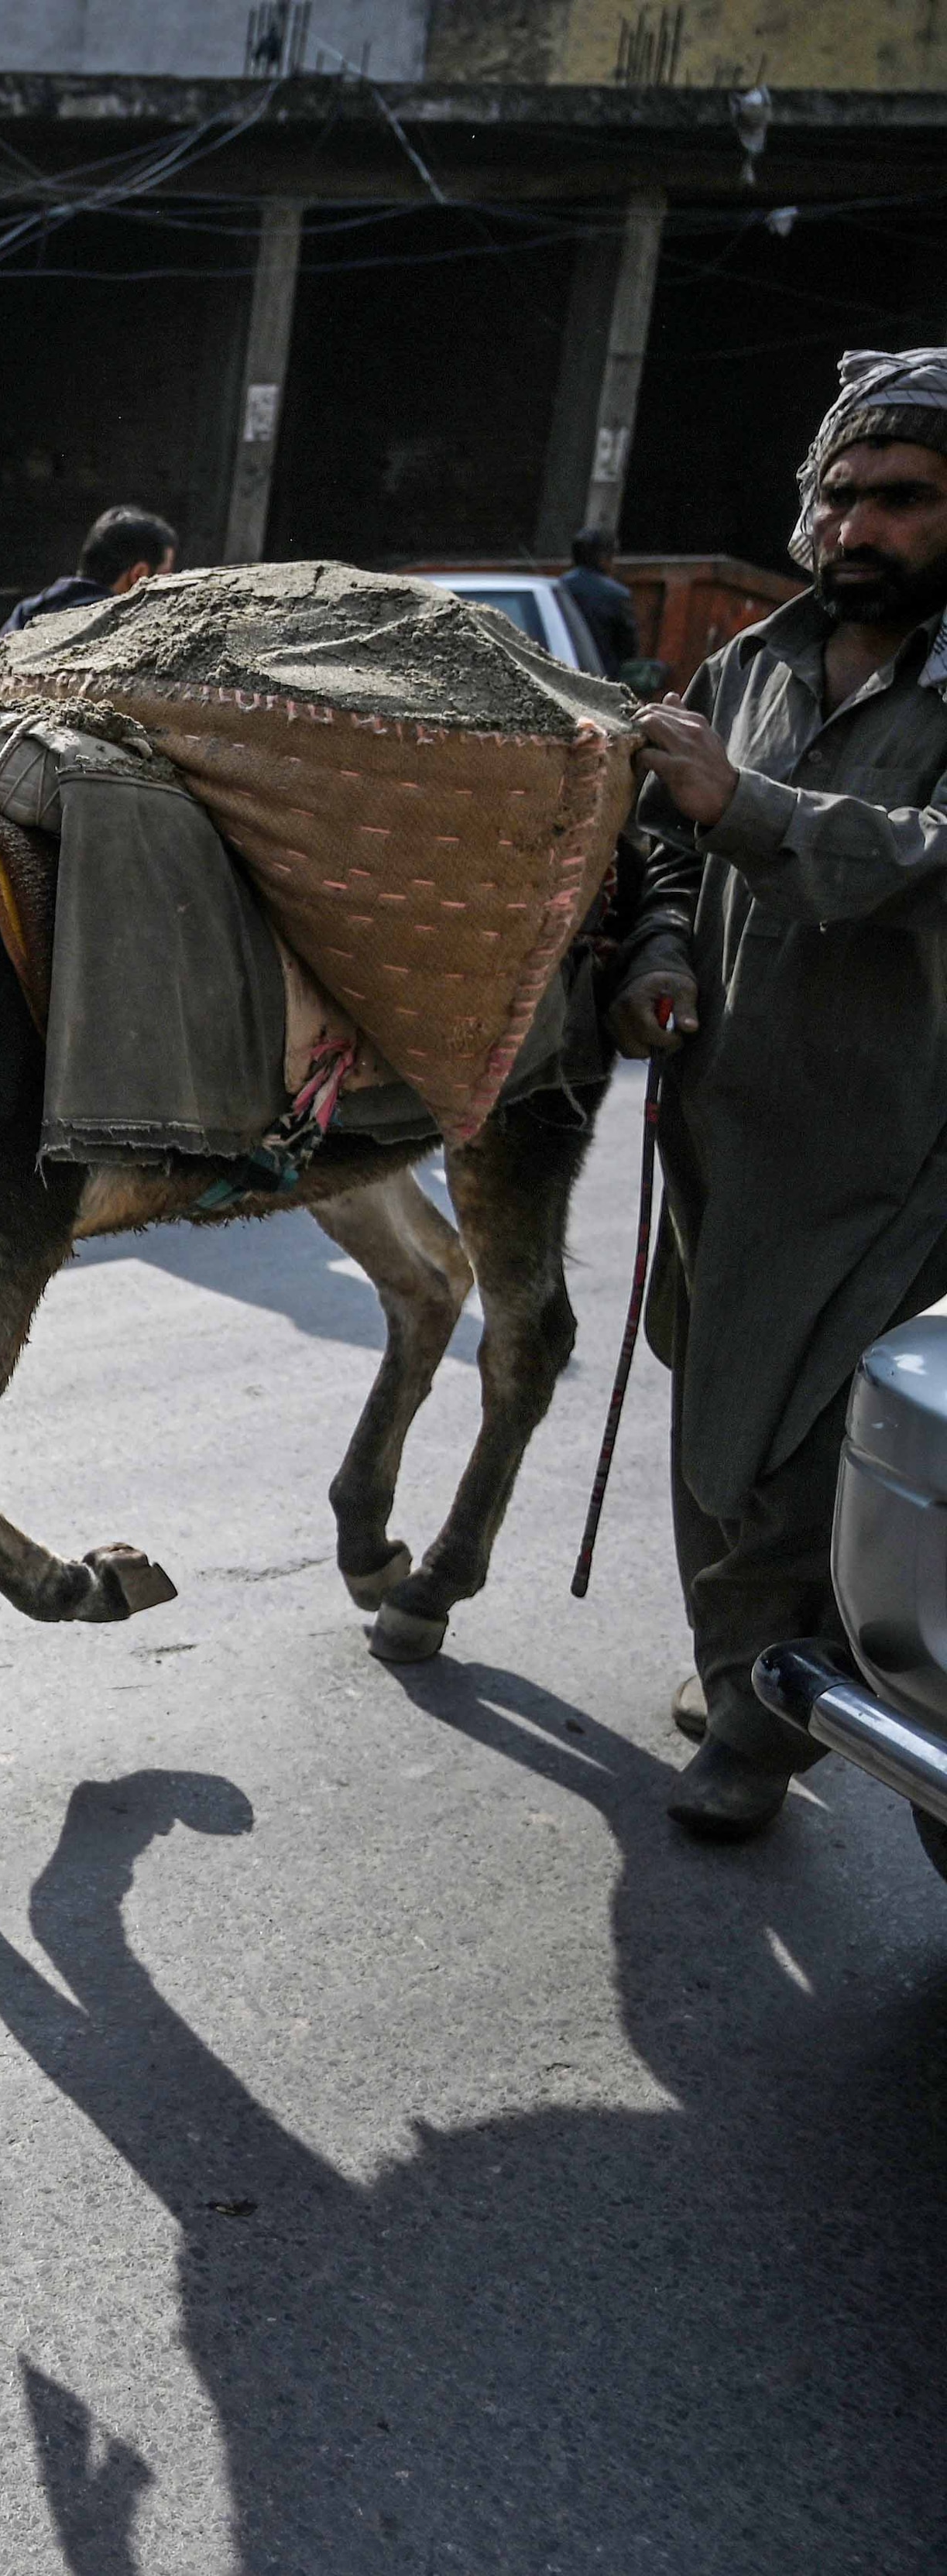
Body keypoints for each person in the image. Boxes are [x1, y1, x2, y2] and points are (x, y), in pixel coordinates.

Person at [600, 346, 947, 1840]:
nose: (863, 526)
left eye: (907, 499)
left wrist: (744, 806)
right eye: (842, 495)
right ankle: (743, 1662)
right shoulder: (745, 667)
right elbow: (667, 853)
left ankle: (759, 1720)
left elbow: (923, 857)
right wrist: (659, 952)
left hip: (898, 1159)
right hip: (723, 1141)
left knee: (815, 1451)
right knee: (714, 1430)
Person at [0, 506, 180, 638]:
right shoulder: (127, 630)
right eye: (166, 573)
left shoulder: (24, 614)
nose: (169, 580)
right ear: (139, 575)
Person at [560, 525, 643, 674]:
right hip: (599, 679)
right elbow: (628, 649)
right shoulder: (617, 595)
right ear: (603, 558)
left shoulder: (558, 588)